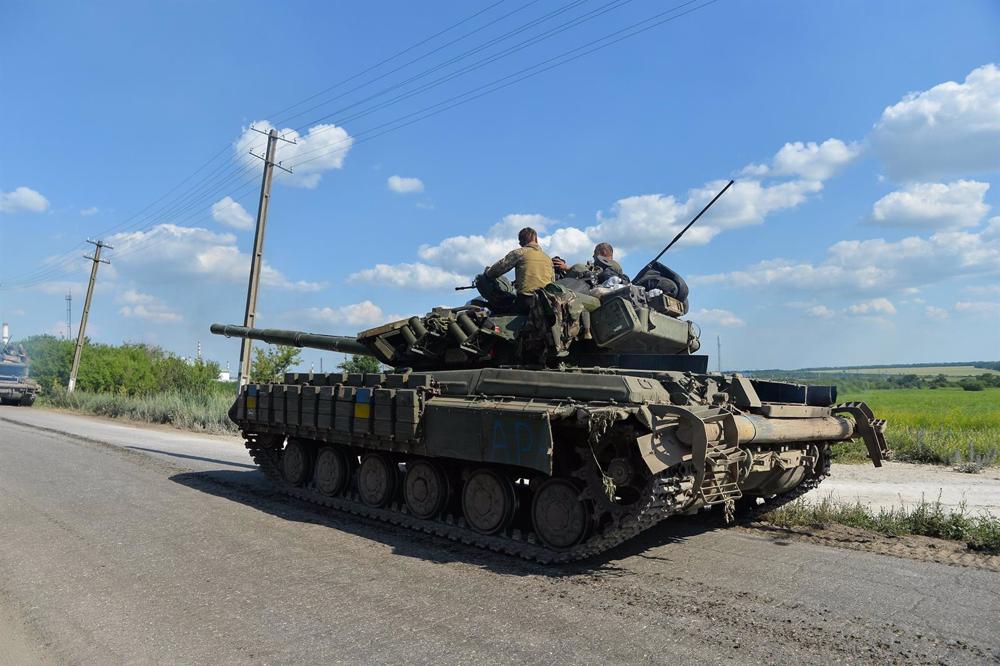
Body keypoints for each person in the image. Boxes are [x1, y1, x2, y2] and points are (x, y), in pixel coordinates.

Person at [481, 226, 555, 312]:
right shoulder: (548, 258)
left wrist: (487, 272)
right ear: (536, 240)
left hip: (527, 302)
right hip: (546, 304)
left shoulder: (520, 253)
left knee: (497, 309)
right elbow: (552, 281)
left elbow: (497, 269)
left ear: (521, 242)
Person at [553, 242, 627, 284]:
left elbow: (590, 273)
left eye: (595, 253)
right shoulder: (614, 267)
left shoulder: (612, 266)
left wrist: (566, 268)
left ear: (603, 253)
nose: (593, 256)